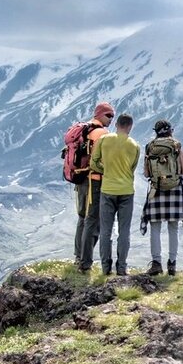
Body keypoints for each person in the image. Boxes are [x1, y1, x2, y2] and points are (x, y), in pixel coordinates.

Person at [90, 112, 139, 276]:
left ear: (116, 125)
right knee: (124, 231)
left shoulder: (104, 140)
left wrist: (106, 170)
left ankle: (105, 267)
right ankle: (122, 267)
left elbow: (94, 162)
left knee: (105, 230)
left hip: (107, 190)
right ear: (130, 127)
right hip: (126, 191)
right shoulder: (135, 146)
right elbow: (132, 168)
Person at [140, 119, 183, 276]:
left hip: (156, 189)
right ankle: (172, 264)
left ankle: (156, 263)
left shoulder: (150, 146)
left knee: (155, 227)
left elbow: (147, 173)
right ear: (170, 131)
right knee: (173, 228)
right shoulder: (176, 145)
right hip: (175, 190)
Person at [74, 101, 114, 270]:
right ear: (99, 114)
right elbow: (102, 159)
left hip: (81, 179)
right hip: (94, 180)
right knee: (93, 220)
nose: (111, 119)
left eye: (112, 115)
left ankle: (78, 256)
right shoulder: (101, 134)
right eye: (108, 115)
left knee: (83, 218)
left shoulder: (86, 130)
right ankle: (85, 259)